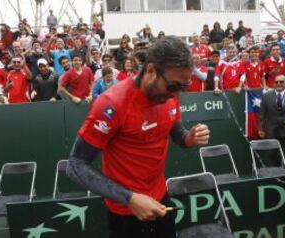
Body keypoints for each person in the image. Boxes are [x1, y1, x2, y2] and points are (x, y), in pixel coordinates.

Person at [66, 36, 210, 238]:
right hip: (125, 211)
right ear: (150, 71)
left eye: (182, 88)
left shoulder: (168, 95)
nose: (176, 95)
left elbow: (175, 131)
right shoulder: (111, 104)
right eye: (173, 87)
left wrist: (189, 138)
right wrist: (130, 198)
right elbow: (75, 166)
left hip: (160, 200)